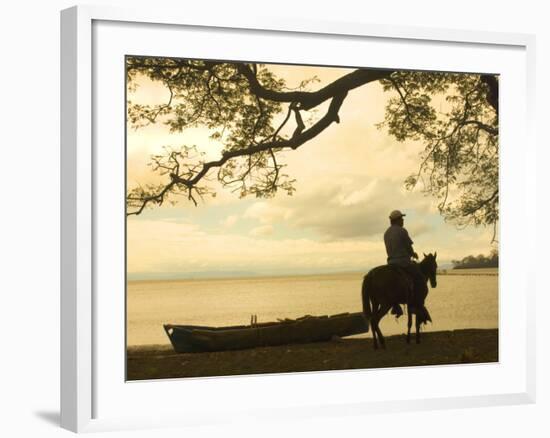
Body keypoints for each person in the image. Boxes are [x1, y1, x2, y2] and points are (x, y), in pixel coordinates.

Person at [383, 210, 428, 321]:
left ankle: (395, 306)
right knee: (420, 278)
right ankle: (415, 305)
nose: (403, 220)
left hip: (391, 263)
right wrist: (413, 253)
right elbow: (408, 247)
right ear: (397, 220)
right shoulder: (402, 231)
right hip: (403, 262)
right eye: (401, 219)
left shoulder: (386, 233)